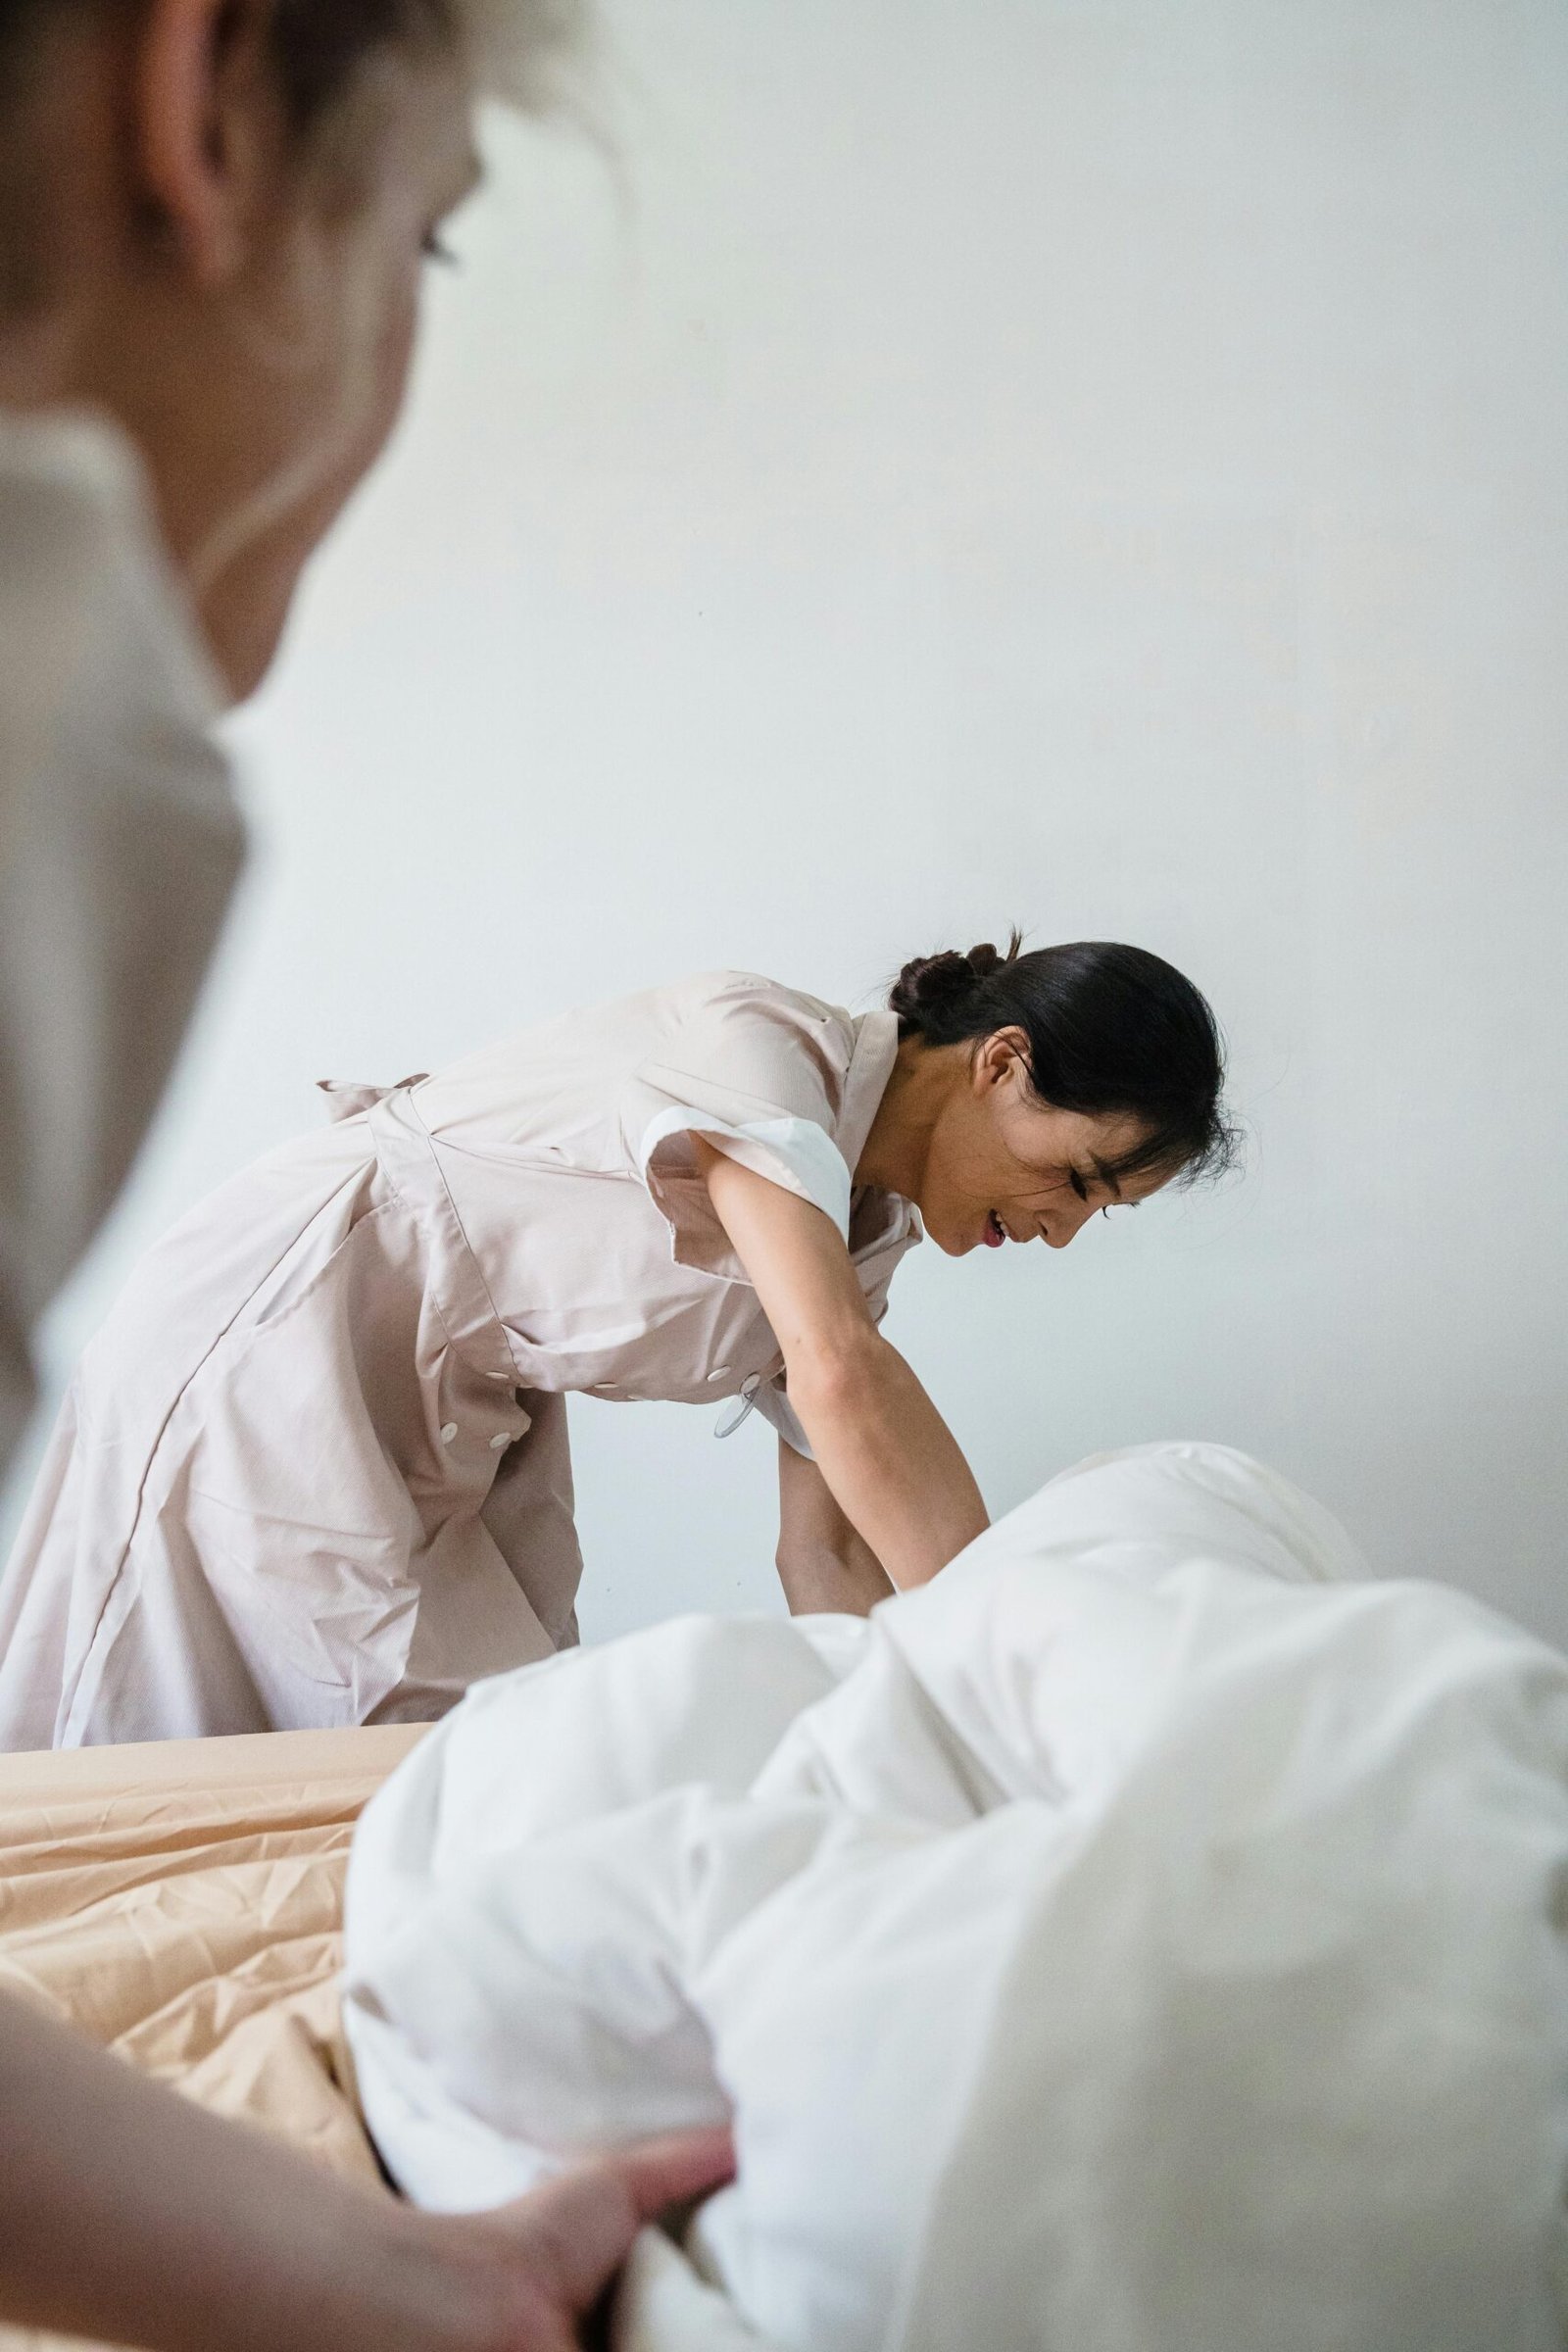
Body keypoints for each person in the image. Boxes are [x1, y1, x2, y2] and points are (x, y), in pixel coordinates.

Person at [0, 0, 731, 2340]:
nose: (1061, 1229)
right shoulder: (43, 652)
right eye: (421, 235)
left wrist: (416, 2288)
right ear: (201, 110)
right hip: (271, 1383)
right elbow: (837, 1401)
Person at [0, 936, 1235, 1747]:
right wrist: (1026, 1666)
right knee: (217, 1739)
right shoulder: (767, 1058)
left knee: (474, 1762)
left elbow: (827, 1556)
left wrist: (916, 1743)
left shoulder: (860, 1233)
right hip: (278, 1342)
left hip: (453, 1420)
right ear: (1001, 1064)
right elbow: (841, 1377)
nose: (1061, 1231)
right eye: (1072, 1181)